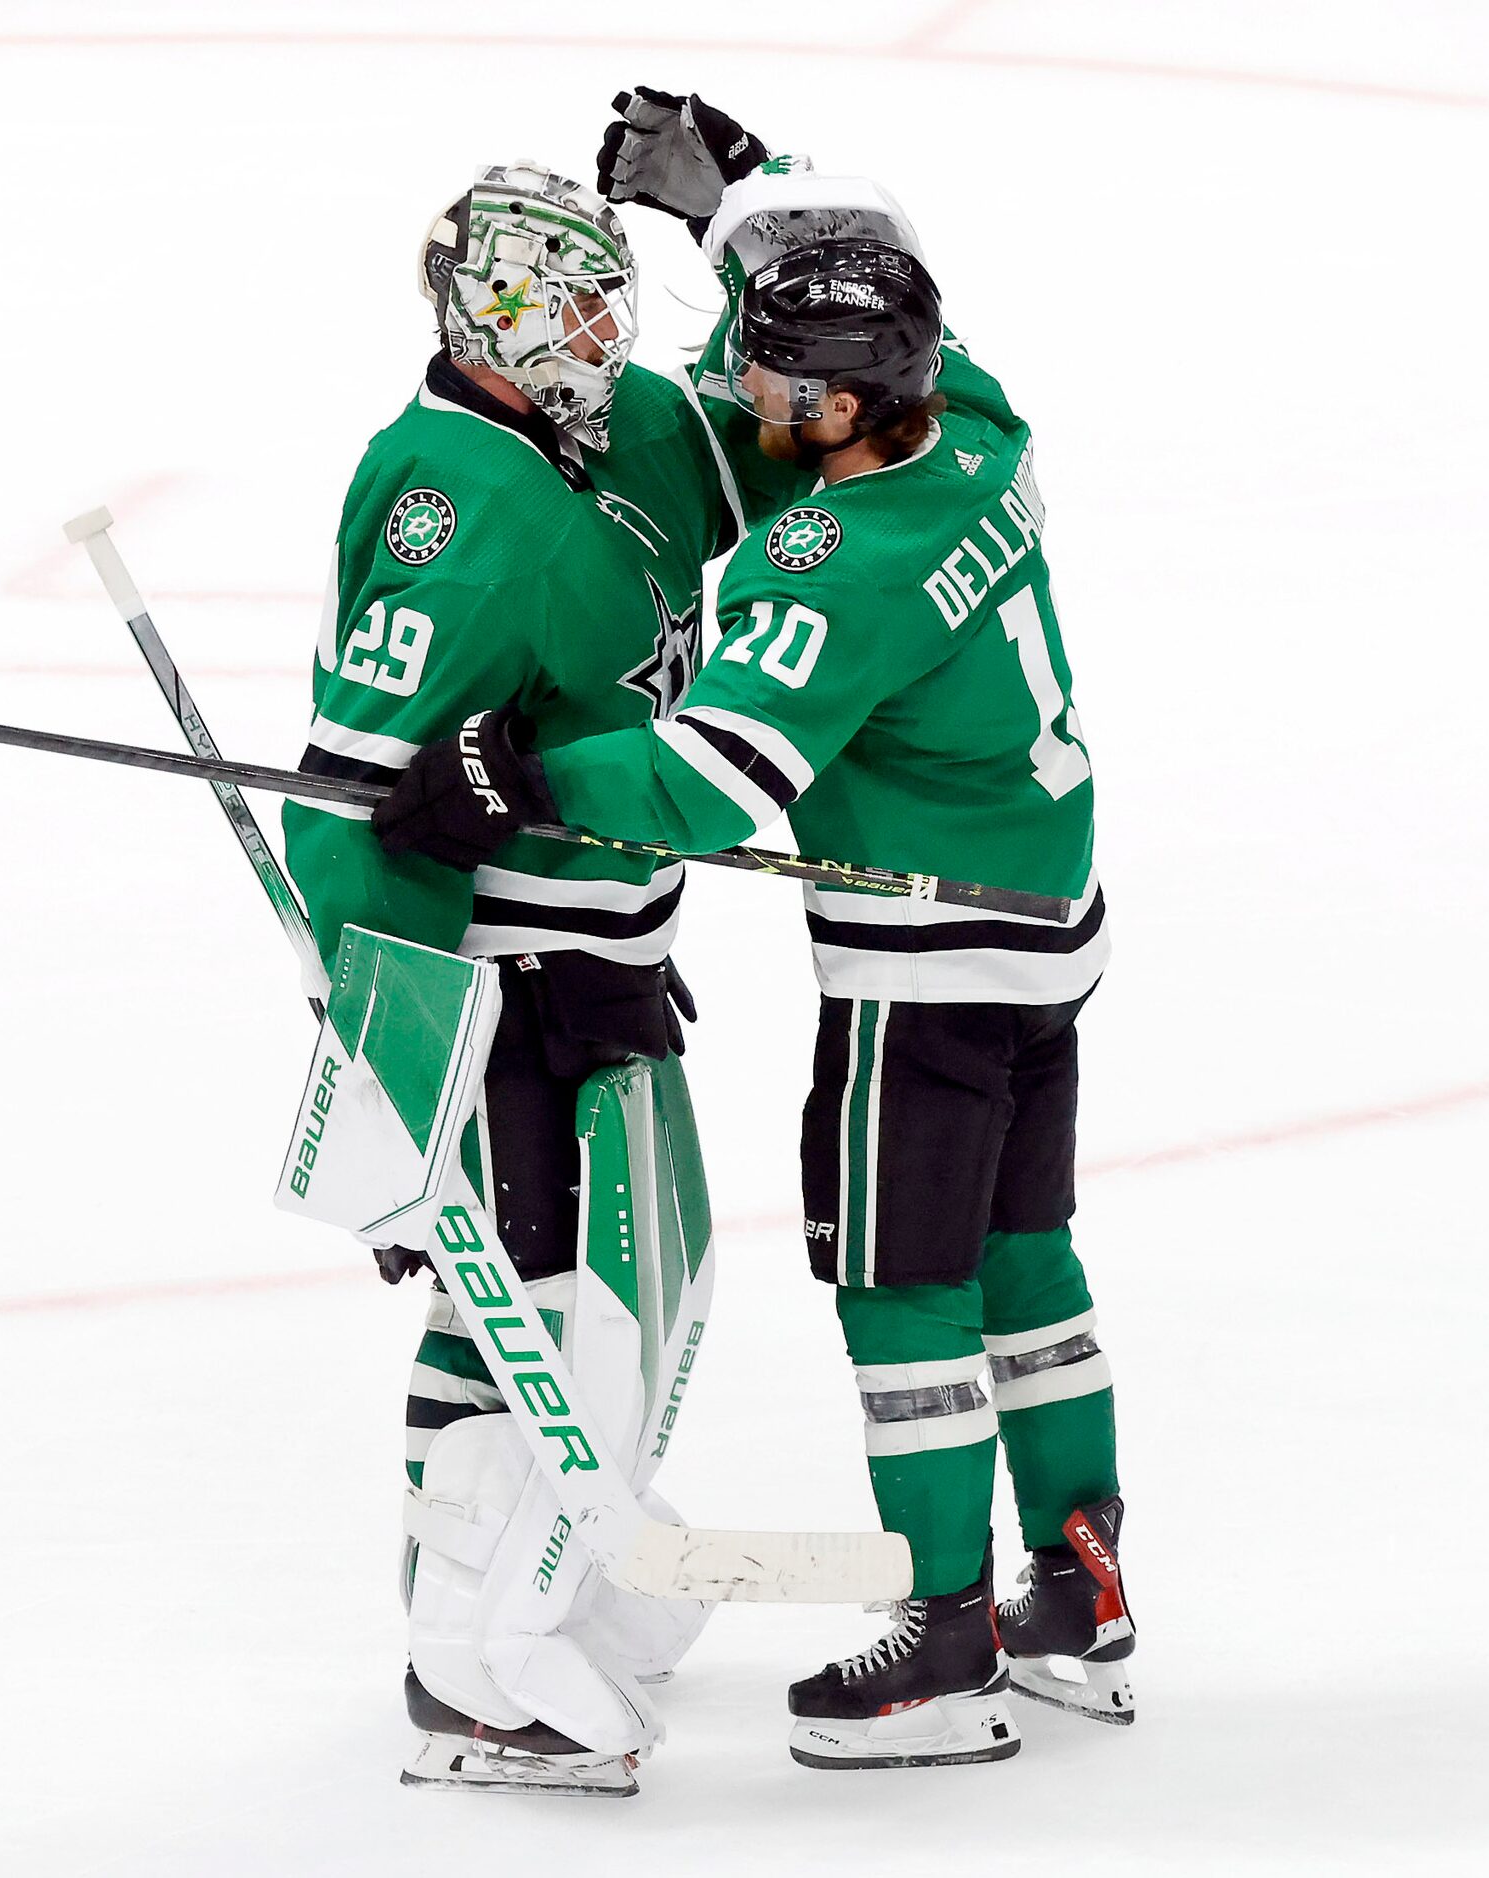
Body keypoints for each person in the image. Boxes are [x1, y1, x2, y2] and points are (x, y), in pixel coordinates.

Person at [376, 211, 1135, 1770]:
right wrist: (741, 197)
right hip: (1050, 920)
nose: (738, 382)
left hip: (924, 975)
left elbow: (708, 777)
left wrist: (500, 770)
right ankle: (1077, 1586)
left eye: (779, 373)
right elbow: (891, 283)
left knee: (901, 1289)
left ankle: (941, 1647)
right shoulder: (978, 435)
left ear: (852, 405)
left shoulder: (831, 555)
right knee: (1023, 1258)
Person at [281, 160, 742, 1797]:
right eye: (576, 301)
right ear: (495, 314)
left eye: (617, 293)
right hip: (503, 979)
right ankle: (462, 1660)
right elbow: (351, 811)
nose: (611, 332)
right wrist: (391, 1054)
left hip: (611, 955)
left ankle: (555, 1565)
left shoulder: (624, 435)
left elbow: (832, 412)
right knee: (528, 1307)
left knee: (637, 1300)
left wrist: (751, 206)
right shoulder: (454, 514)